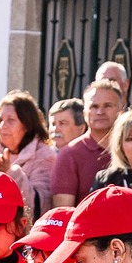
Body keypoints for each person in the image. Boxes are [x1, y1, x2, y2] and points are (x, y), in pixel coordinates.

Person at [0, 92, 55, 223]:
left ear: (27, 125)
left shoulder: (44, 155)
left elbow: (41, 205)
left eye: (11, 120)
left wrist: (10, 173)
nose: (2, 126)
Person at [49, 79, 123, 209]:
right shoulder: (70, 155)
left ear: (121, 110)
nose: (100, 112)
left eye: (108, 105)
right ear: (85, 113)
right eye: (94, 107)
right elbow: (63, 213)